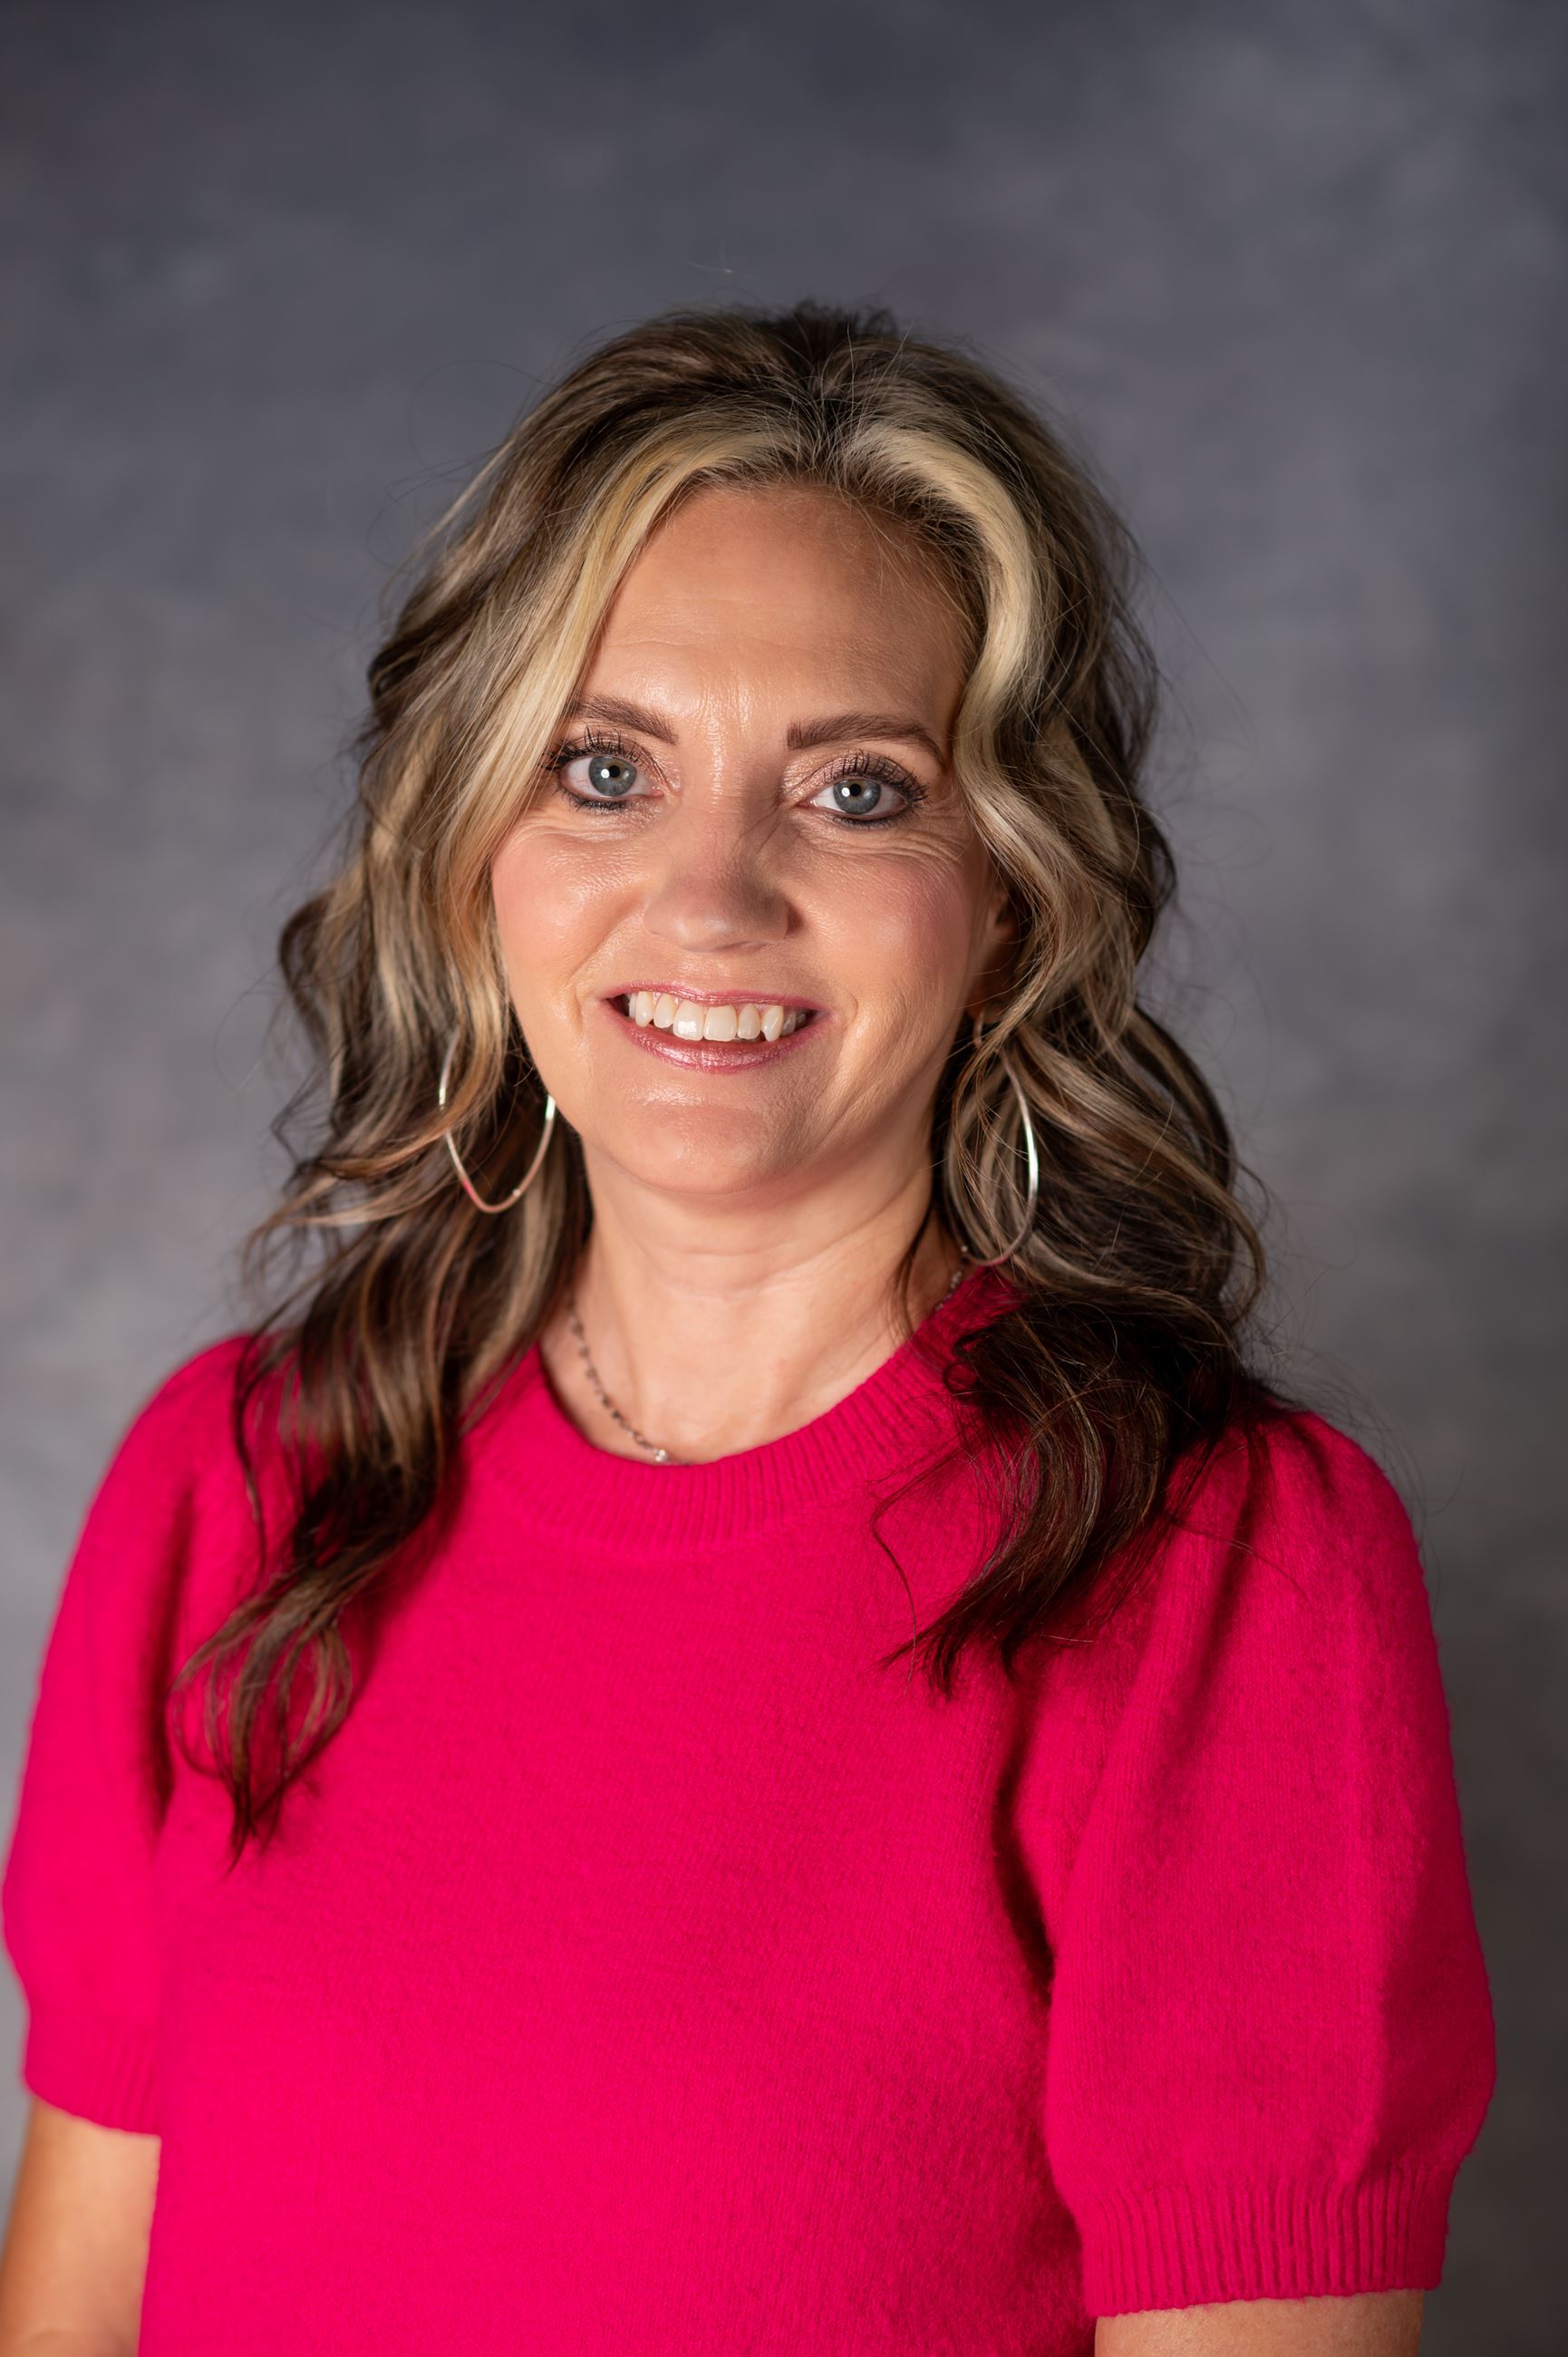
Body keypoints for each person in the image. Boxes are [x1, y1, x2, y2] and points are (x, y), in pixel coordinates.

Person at [0, 299, 1494, 2357]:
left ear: (1015, 899)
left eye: (859, 791)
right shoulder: (242, 1482)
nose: (709, 897)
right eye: (603, 771)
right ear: (468, 858)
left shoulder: (1222, 1573)